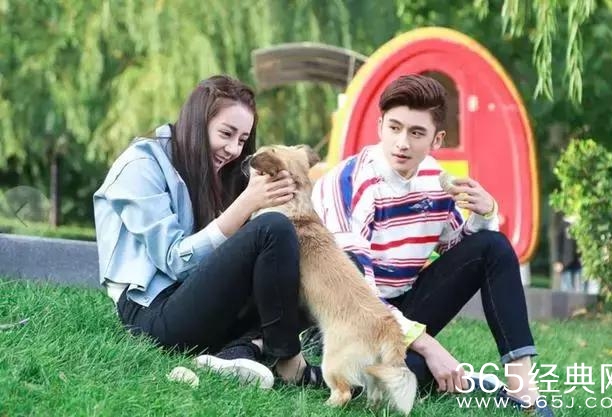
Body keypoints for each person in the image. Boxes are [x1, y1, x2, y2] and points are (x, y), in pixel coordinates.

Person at [312, 74, 554, 416]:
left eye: (416, 133)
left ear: (436, 139)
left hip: (400, 307)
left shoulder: (434, 180)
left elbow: (460, 254)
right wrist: (428, 346)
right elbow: (351, 294)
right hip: (343, 320)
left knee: (493, 247)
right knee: (414, 370)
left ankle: (522, 391)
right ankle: (345, 373)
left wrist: (483, 214)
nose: (402, 143)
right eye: (394, 128)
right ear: (380, 125)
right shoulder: (347, 183)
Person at [93, 75, 323, 389]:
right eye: (226, 134)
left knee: (311, 257)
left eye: (242, 140)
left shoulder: (220, 172)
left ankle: (240, 351)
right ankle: (289, 363)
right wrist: (246, 204)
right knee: (273, 228)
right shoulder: (141, 164)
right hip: (154, 314)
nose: (233, 149)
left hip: (202, 304)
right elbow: (175, 261)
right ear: (197, 122)